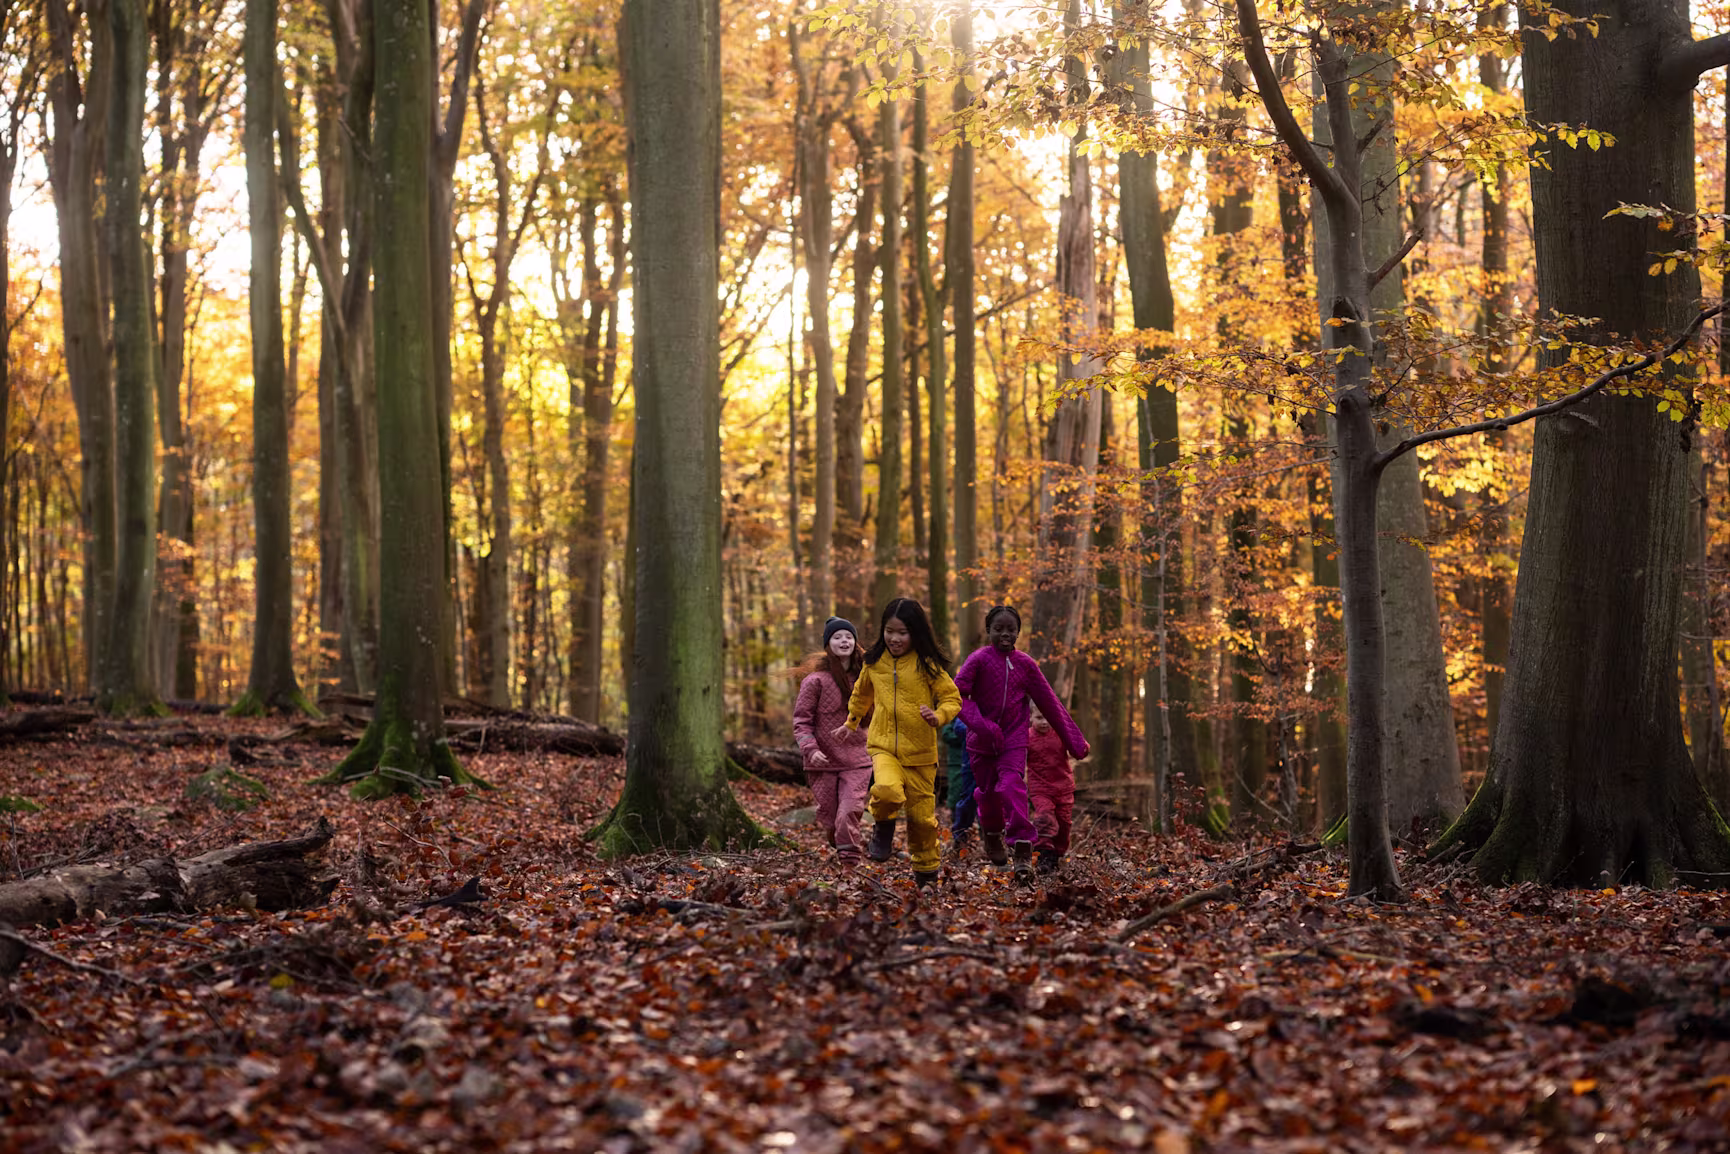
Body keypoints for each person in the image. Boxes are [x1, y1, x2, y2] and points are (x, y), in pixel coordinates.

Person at [954, 604, 1089, 884]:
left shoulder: (1026, 664)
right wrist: (982, 725)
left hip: (1013, 739)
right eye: (999, 629)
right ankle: (992, 834)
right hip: (980, 742)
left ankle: (1022, 848)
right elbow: (957, 696)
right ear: (989, 630)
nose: (1005, 634)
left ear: (1018, 632)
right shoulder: (978, 659)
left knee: (1011, 785)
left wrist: (1074, 740)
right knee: (988, 795)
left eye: (1011, 629)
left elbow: (1049, 702)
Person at [832, 597, 961, 888]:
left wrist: (939, 716)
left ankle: (926, 873)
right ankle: (883, 827)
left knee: (922, 821)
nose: (895, 638)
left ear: (915, 633)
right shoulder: (874, 662)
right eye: (889, 631)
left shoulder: (927, 665)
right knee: (887, 790)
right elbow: (862, 694)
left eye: (902, 632)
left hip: (921, 754)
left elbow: (953, 698)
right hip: (884, 745)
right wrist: (851, 721)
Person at [790, 617, 873, 865]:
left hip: (858, 759)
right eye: (837, 637)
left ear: (855, 642)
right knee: (831, 816)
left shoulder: (866, 678)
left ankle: (849, 864)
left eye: (848, 636)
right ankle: (837, 838)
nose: (844, 640)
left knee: (849, 811)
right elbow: (801, 721)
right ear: (828, 644)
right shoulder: (814, 681)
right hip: (822, 762)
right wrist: (810, 749)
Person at [1026, 708, 1075, 874]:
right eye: (1039, 717)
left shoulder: (1061, 732)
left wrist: (1082, 747)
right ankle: (1043, 854)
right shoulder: (1026, 736)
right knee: (1044, 817)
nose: (1044, 722)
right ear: (1030, 717)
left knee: (1064, 824)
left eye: (1048, 717)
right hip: (1040, 788)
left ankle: (1057, 853)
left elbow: (1080, 747)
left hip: (1064, 786)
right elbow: (1016, 757)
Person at [941, 717, 978, 856]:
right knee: (958, 794)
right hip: (959, 761)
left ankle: (988, 838)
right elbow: (948, 733)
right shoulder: (958, 714)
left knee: (983, 799)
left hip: (980, 760)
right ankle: (958, 833)